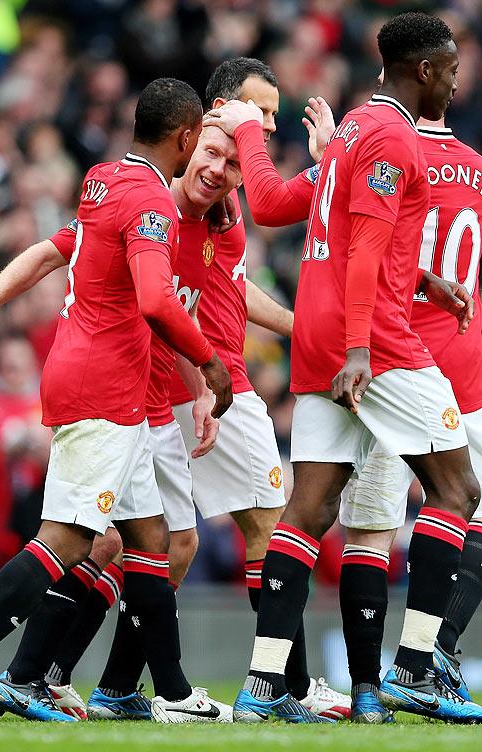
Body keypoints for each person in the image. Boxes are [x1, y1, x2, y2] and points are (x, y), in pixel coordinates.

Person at [0, 77, 233, 725]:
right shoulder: (150, 201)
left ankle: (169, 692)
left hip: (100, 379)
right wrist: (208, 360)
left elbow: (53, 251)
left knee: (150, 536)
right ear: (186, 136)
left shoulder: (104, 179)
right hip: (107, 387)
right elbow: (154, 298)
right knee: (66, 538)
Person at [204, 12, 482, 724]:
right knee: (458, 489)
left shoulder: (355, 129)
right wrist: (364, 348)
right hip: (375, 342)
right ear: (424, 69)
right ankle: (418, 667)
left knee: (309, 509)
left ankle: (263, 684)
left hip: (319, 334)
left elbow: (272, 206)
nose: (456, 80)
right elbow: (362, 253)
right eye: (450, 68)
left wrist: (424, 280)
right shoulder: (394, 135)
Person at [168, 57, 350, 721]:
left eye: (275, 112)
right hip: (214, 383)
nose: (270, 122)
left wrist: (301, 328)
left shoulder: (225, 186)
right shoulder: (203, 182)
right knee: (273, 533)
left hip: (210, 378)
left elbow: (233, 287)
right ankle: (289, 686)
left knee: (160, 540)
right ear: (221, 107)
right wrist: (201, 375)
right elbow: (169, 294)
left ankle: (84, 677)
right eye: (261, 108)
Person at [339, 113, 482, 719]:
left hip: (392, 357)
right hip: (463, 357)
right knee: (465, 503)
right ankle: (432, 655)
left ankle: (374, 684)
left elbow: (353, 245)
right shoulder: (475, 167)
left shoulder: (379, 152)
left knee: (371, 524)